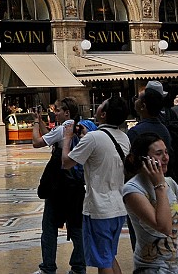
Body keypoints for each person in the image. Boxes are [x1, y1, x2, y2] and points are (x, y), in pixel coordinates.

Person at [63, 95, 131, 274]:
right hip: (118, 207)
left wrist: (67, 138)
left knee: (103, 262)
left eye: (101, 105)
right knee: (108, 256)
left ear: (103, 114)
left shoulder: (93, 138)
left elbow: (66, 163)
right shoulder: (124, 137)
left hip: (99, 209)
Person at [123, 132, 178, 273]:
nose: (165, 158)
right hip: (153, 267)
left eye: (166, 152)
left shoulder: (170, 184)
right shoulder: (133, 190)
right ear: (142, 159)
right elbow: (164, 227)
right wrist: (159, 185)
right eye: (158, 153)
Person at [31, 97, 85, 274]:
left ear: (67, 112)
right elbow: (51, 137)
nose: (55, 112)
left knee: (49, 226)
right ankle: (78, 267)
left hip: (59, 185)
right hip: (76, 185)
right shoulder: (79, 126)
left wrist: (34, 124)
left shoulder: (63, 129)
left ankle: (48, 267)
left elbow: (37, 142)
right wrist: (40, 120)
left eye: (58, 110)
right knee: (76, 226)